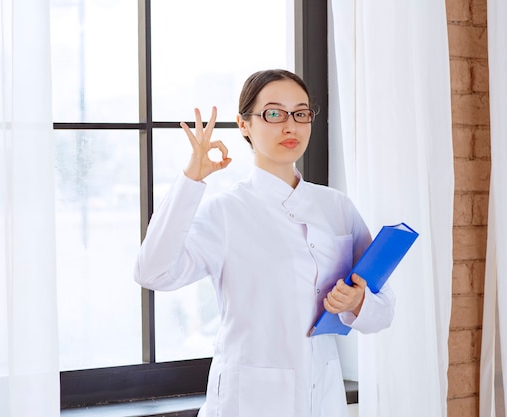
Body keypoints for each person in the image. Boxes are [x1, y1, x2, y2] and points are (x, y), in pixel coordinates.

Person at [134, 69, 395, 417]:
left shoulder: (336, 207)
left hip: (324, 395)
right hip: (250, 401)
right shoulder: (226, 211)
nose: (290, 126)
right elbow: (152, 273)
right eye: (274, 114)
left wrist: (358, 300)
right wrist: (191, 179)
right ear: (244, 125)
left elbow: (383, 310)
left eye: (301, 113)